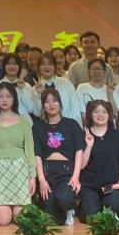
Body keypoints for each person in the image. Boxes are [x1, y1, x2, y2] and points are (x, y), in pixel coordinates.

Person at [0, 82, 36, 226]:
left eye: (8, 96)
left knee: (21, 220)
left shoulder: (23, 120)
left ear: (14, 98)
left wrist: (32, 176)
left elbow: (30, 149)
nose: (4, 100)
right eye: (0, 96)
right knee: (4, 221)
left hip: (20, 171)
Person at [33, 87, 84, 226]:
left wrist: (76, 177)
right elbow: (37, 154)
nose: (51, 104)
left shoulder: (72, 124)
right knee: (53, 219)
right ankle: (59, 210)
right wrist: (41, 180)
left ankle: (69, 208)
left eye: (55, 101)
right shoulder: (37, 127)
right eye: (47, 101)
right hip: (47, 174)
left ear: (60, 104)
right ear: (43, 106)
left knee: (64, 198)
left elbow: (79, 151)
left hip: (67, 173)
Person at [77, 100, 119, 217]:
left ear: (109, 115)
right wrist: (89, 146)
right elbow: (81, 166)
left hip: (110, 185)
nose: (100, 115)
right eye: (96, 112)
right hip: (89, 186)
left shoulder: (118, 136)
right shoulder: (83, 135)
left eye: (104, 112)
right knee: (91, 215)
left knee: (113, 205)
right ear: (90, 114)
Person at [32, 54, 80, 123]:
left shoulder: (66, 83)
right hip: (47, 126)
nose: (46, 67)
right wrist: (39, 95)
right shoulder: (35, 88)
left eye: (50, 64)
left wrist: (75, 126)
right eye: (43, 64)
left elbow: (75, 108)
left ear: (55, 66)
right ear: (38, 67)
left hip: (68, 125)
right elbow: (37, 113)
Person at [0, 52, 40, 118]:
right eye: (8, 63)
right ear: (4, 66)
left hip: (24, 121)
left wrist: (22, 90)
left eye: (15, 64)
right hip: (4, 121)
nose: (12, 66)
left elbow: (30, 109)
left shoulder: (26, 86)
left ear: (19, 66)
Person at [75, 57, 111, 127]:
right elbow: (82, 113)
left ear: (104, 72)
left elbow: (115, 113)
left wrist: (110, 94)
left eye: (99, 69)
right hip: (89, 127)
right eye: (93, 69)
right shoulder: (81, 87)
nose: (96, 72)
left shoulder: (110, 89)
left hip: (108, 128)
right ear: (89, 71)